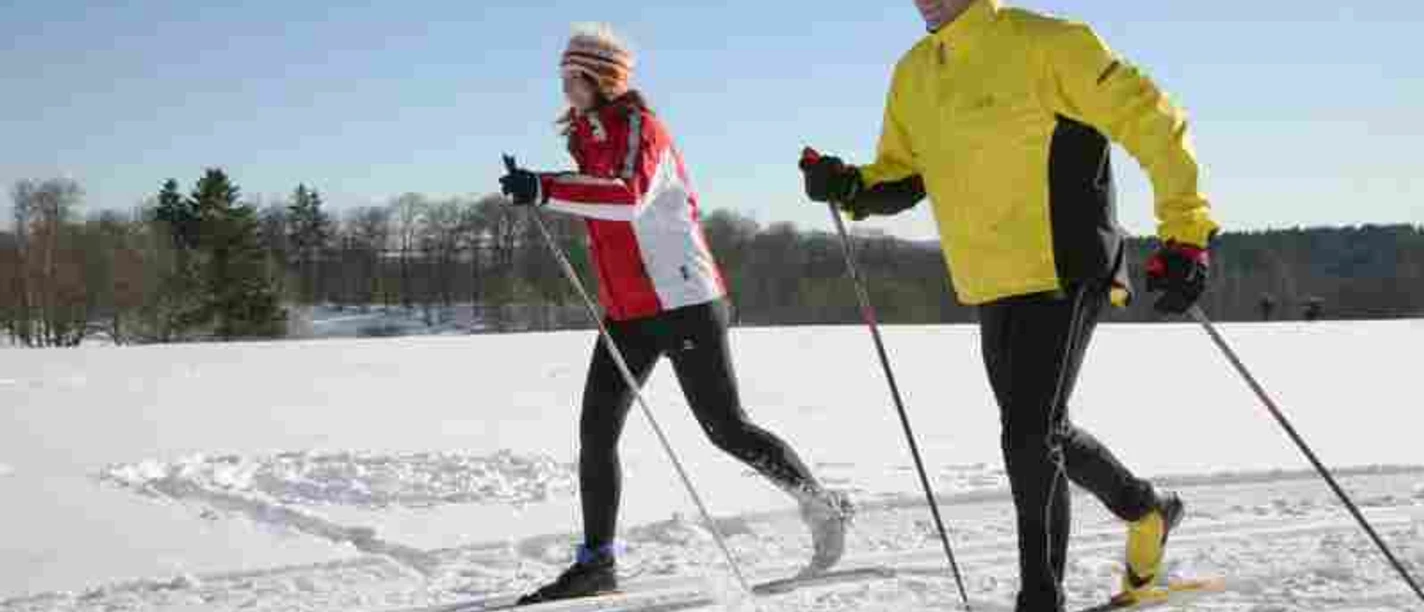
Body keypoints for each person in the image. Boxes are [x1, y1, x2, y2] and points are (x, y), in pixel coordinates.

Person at [798, 0, 1220, 610]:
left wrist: (1186, 230)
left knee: (1028, 433)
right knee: (1044, 430)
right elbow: (905, 175)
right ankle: (1146, 510)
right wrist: (850, 185)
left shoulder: (1051, 44)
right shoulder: (916, 72)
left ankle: (1040, 599)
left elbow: (1154, 119)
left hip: (1066, 266)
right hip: (991, 279)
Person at [499, 23, 852, 605]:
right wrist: (541, 183)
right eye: (562, 78)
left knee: (725, 428)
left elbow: (625, 195)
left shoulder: (643, 128)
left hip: (685, 301)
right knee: (596, 432)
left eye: (576, 77)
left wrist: (545, 187)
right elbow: (591, 185)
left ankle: (821, 502)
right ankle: (596, 562)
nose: (567, 88)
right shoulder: (586, 136)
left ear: (604, 79)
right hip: (627, 311)